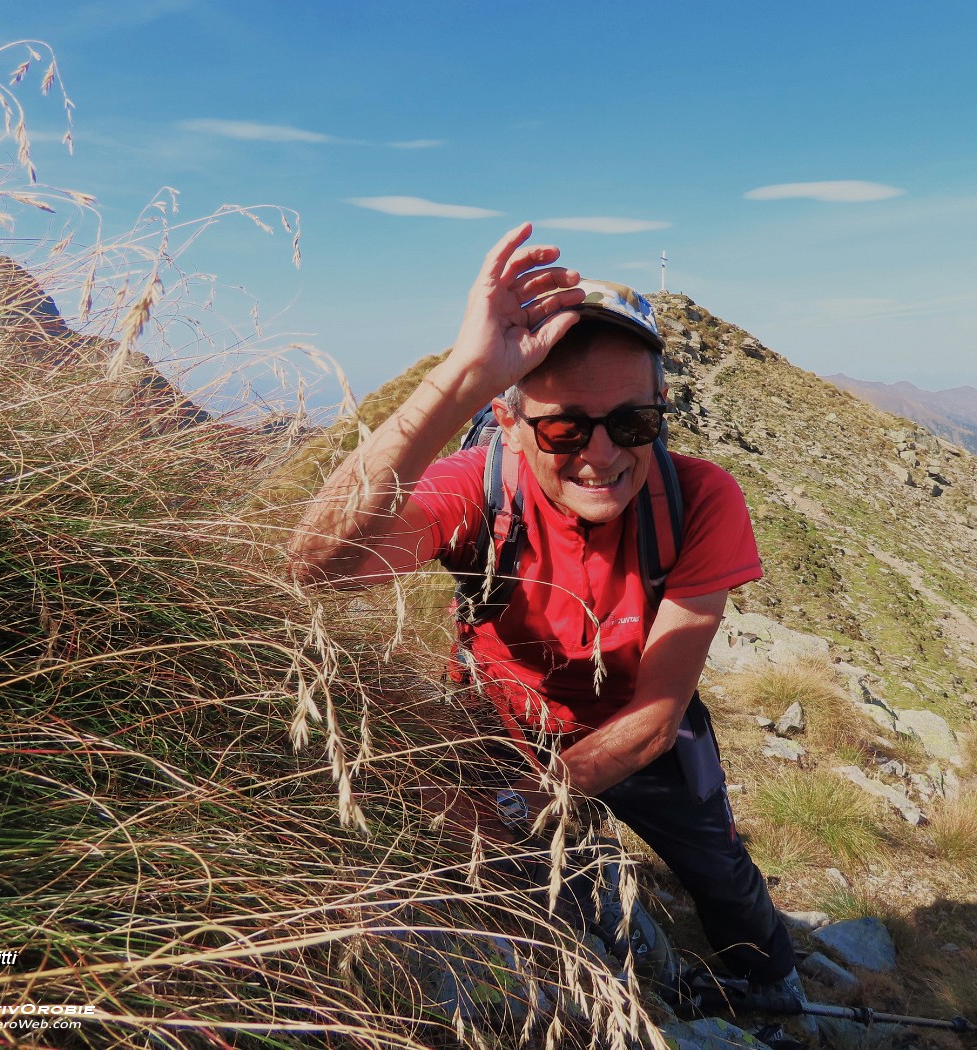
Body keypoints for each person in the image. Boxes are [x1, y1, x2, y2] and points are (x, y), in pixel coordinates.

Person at [288, 223, 805, 1006]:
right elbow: (317, 569)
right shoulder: (478, 483)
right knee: (505, 887)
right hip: (498, 727)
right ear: (508, 420)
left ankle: (771, 984)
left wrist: (518, 804)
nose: (601, 455)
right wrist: (462, 375)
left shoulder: (701, 499)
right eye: (564, 426)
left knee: (719, 871)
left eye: (633, 424)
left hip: (636, 736)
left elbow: (657, 719)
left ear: (662, 411)